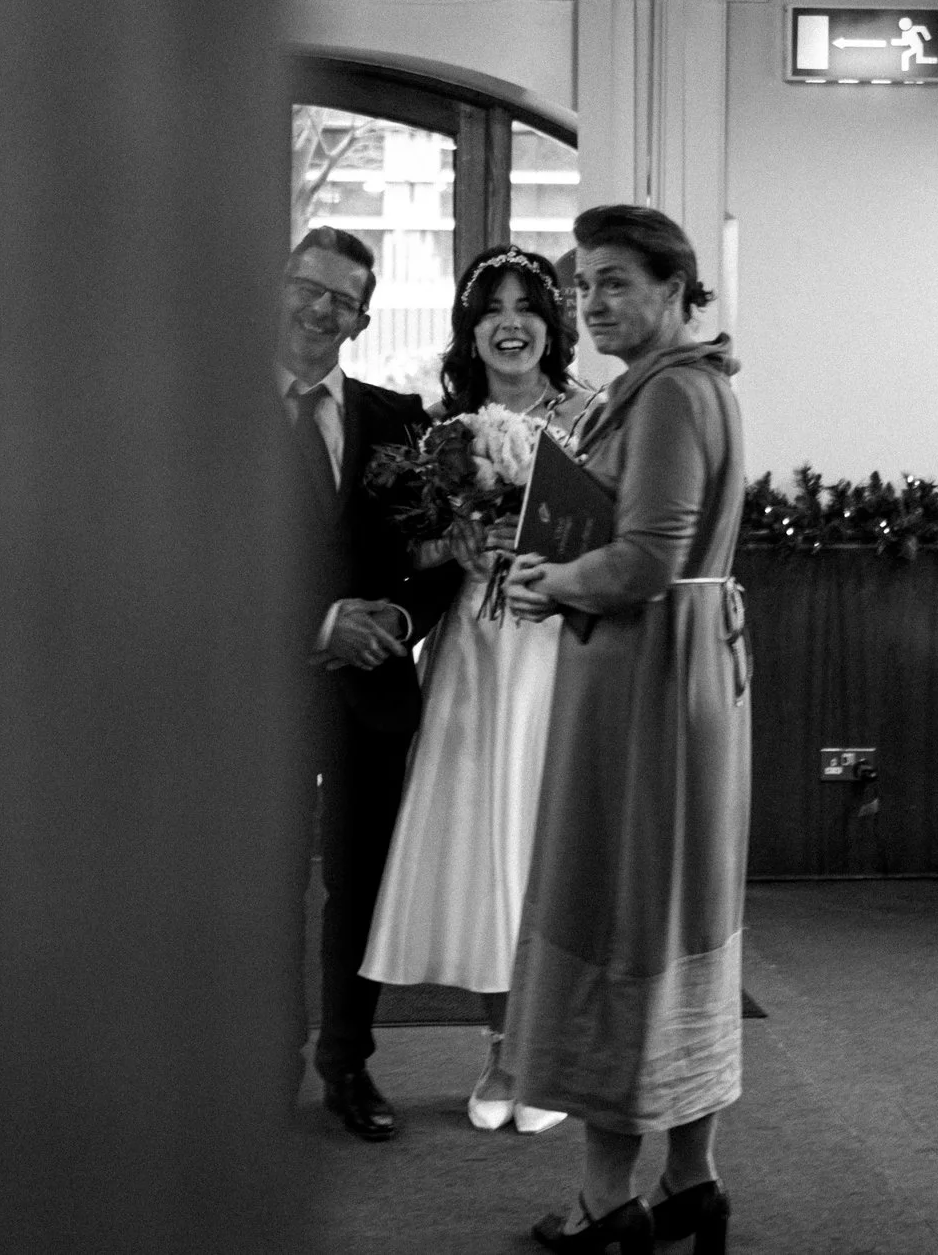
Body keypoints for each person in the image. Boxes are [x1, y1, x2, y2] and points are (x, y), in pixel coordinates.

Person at [503, 205, 749, 1255]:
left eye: (612, 281)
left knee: (621, 916)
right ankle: (689, 1177)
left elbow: (646, 556)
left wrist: (552, 578)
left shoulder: (669, 393)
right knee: (679, 918)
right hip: (683, 664)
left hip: (647, 674)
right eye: (581, 285)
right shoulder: (688, 384)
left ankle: (610, 1201)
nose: (591, 302)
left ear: (675, 287)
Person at [359, 247, 595, 1134]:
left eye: (526, 306)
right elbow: (404, 551)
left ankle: (554, 1052)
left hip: (558, 650)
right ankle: (504, 1051)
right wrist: (453, 548)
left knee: (546, 846)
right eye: (491, 307)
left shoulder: (593, 416)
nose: (510, 322)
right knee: (488, 849)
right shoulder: (438, 427)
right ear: (469, 328)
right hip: (473, 652)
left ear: (551, 322)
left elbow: (616, 536)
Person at [278, 227, 461, 1142]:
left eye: (342, 299)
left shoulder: (401, 421)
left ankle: (347, 1062)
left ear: (363, 317)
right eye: (309, 288)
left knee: (361, 886)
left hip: (370, 693)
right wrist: (318, 626)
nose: (320, 309)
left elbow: (435, 556)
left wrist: (395, 619)